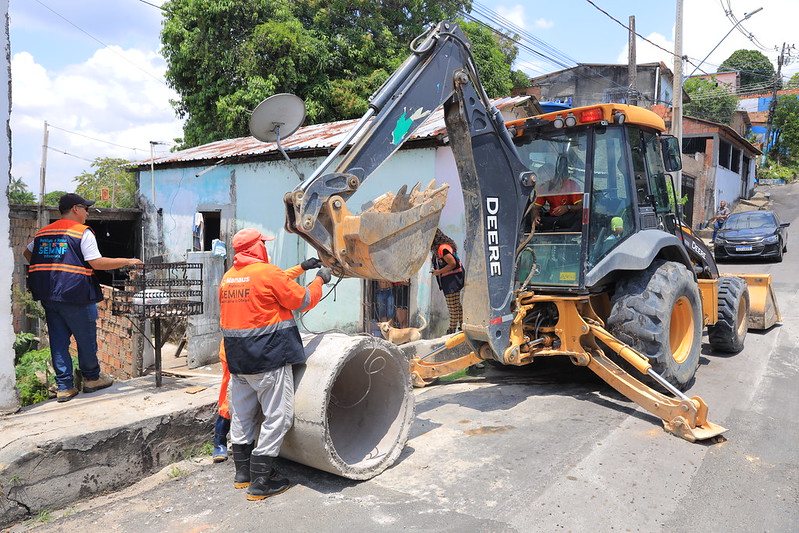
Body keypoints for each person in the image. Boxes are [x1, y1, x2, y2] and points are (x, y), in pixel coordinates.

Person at [219, 228, 330, 501]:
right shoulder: (266, 274)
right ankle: (261, 480)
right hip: (268, 359)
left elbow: (270, 282)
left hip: (238, 362)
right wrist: (319, 280)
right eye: (263, 244)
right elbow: (301, 300)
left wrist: (301, 267)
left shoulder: (229, 278)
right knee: (278, 417)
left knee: (243, 416)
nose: (266, 247)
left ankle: (242, 474)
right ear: (257, 247)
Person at [23, 193, 143, 403]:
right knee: (85, 339)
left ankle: (64, 387)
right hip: (76, 295)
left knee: (58, 342)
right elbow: (96, 262)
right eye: (86, 208)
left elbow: (27, 253)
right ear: (76, 209)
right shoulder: (82, 232)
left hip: (50, 295)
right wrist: (128, 261)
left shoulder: (43, 232)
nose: (87, 213)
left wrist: (51, 268)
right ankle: (91, 378)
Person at [430, 229, 465, 335]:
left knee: (452, 307)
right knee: (456, 305)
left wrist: (439, 271)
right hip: (452, 279)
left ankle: (451, 331)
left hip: (452, 280)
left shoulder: (442, 249)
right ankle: (462, 327)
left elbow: (452, 263)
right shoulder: (441, 248)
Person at [532, 162, 583, 231]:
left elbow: (581, 207)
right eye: (542, 179)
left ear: (553, 174)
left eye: (545, 178)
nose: (544, 181)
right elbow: (536, 208)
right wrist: (536, 216)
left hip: (569, 218)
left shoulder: (571, 185)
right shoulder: (543, 188)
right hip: (553, 219)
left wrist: (567, 208)